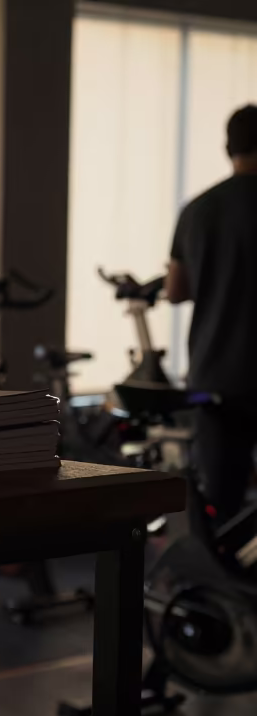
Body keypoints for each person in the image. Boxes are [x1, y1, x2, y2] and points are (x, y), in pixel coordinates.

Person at [167, 104, 257, 529]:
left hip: (215, 375)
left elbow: (176, 289)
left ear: (228, 148)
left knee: (221, 503)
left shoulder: (198, 210)